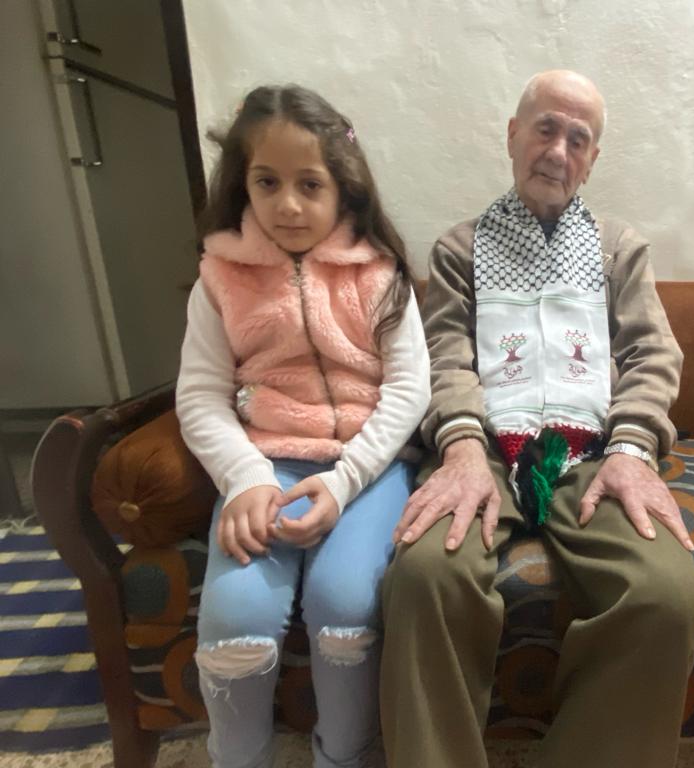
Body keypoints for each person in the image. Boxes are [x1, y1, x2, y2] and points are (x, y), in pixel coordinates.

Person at [380, 70, 694, 768]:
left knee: (668, 594)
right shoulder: (459, 249)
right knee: (424, 577)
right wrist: (461, 449)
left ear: (593, 159)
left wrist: (631, 449)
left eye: (578, 139)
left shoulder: (620, 248)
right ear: (513, 135)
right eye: (545, 129)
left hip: (588, 455)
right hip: (485, 452)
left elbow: (653, 355)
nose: (559, 151)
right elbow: (444, 358)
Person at [176, 84, 428, 768]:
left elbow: (410, 390)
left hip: (365, 472)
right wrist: (246, 478)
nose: (288, 204)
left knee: (346, 608)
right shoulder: (218, 281)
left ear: (343, 187)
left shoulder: (382, 276)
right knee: (236, 624)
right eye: (268, 182)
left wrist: (344, 482)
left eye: (309, 184)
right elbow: (199, 395)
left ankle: (343, 758)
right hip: (266, 467)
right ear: (243, 183)